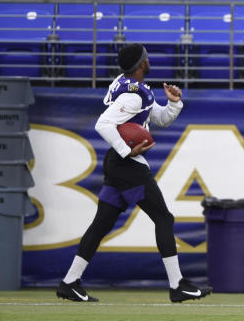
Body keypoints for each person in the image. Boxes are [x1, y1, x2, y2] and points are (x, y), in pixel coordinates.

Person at [56, 44, 211, 304]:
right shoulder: (132, 95)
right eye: (146, 58)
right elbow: (103, 124)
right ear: (141, 64)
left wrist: (174, 104)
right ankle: (177, 285)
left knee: (102, 223)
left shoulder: (132, 88)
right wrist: (125, 151)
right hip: (127, 165)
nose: (149, 60)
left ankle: (70, 282)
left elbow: (157, 119)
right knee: (164, 218)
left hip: (119, 164)